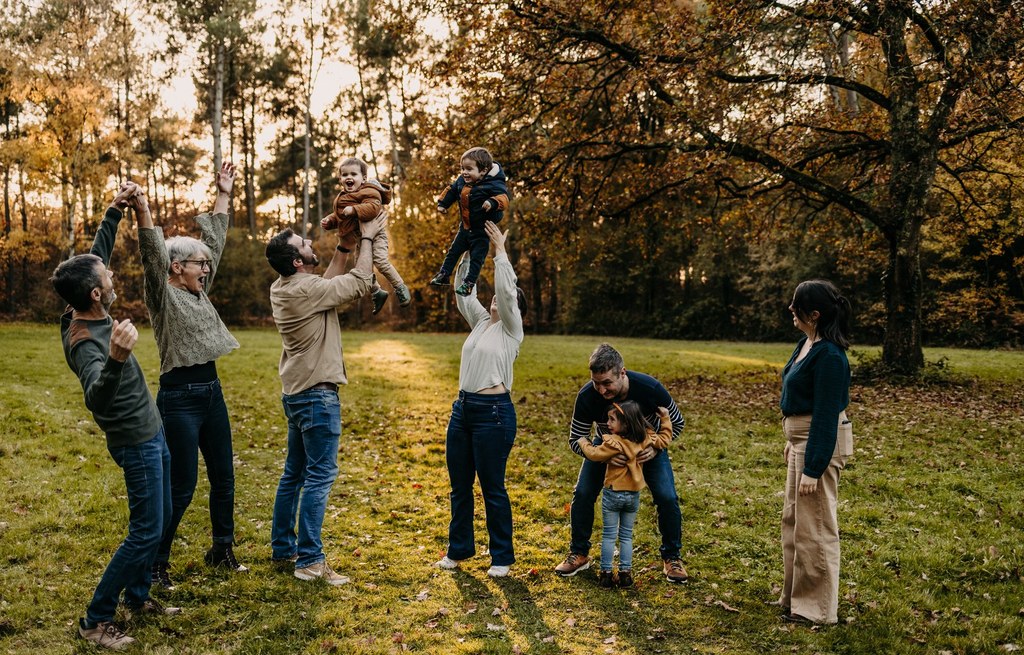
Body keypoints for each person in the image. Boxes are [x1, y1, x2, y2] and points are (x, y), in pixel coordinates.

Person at [51, 182, 179, 651]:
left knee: (159, 519)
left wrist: (113, 212)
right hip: (135, 441)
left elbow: (92, 258)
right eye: (105, 275)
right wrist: (119, 358)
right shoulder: (84, 340)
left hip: (153, 429)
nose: (110, 273)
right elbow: (96, 399)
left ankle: (140, 596)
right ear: (95, 295)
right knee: (145, 530)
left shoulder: (79, 301)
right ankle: (96, 619)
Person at [133, 163, 246, 590]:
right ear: (177, 266)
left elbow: (213, 241)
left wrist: (223, 193)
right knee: (181, 486)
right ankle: (157, 564)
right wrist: (143, 209)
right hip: (178, 400)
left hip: (211, 395)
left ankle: (222, 550)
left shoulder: (200, 291)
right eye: (200, 264)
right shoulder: (162, 296)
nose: (207, 268)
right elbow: (150, 253)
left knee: (224, 478)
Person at [264, 212, 386, 584]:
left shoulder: (284, 287)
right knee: (319, 476)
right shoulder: (307, 290)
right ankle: (310, 561)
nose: (309, 241)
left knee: (294, 475)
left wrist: (344, 246)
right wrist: (367, 238)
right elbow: (361, 281)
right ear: (298, 261)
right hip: (318, 395)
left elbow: (327, 284)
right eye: (303, 244)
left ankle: (284, 548)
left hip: (297, 394)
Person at [554, 343, 689, 583]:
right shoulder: (587, 397)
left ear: (622, 373)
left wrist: (655, 449)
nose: (601, 389)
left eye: (607, 383)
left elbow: (676, 423)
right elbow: (576, 437)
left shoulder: (650, 389)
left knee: (667, 497)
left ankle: (672, 558)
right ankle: (579, 553)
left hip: (648, 446)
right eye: (596, 382)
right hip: (607, 446)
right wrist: (599, 454)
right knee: (583, 492)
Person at [435, 221, 525, 577]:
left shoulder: (511, 332)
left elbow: (506, 290)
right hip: (463, 412)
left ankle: (501, 557)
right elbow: (463, 293)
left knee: (492, 488)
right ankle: (458, 551)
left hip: (494, 416)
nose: (496, 300)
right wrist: (468, 249)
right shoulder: (480, 324)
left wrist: (500, 251)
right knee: (460, 487)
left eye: (504, 300)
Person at [778, 280, 853, 625]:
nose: (791, 309)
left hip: (819, 444)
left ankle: (817, 610)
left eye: (797, 305)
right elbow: (798, 399)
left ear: (815, 314)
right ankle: (795, 598)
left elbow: (825, 414)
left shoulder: (831, 357)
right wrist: (791, 441)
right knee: (794, 522)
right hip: (801, 443)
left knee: (816, 527)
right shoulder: (807, 343)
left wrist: (813, 466)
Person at [574, 401, 673, 588]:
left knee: (609, 535)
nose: (607, 423)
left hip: (613, 495)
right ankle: (625, 574)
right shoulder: (645, 439)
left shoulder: (613, 442)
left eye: (612, 420)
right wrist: (665, 419)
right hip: (633, 496)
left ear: (625, 423)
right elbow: (665, 439)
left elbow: (594, 454)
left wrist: (583, 441)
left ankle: (606, 574)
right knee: (627, 536)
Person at [320, 156, 410, 314]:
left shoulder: (369, 191)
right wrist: (330, 220)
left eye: (353, 174)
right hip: (360, 237)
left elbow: (373, 208)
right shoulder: (344, 197)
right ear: (340, 178)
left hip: (377, 235)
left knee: (380, 262)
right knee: (360, 269)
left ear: (363, 179)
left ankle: (400, 286)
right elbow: (341, 215)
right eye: (345, 174)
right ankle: (377, 291)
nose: (349, 177)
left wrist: (355, 210)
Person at [429, 147, 509, 297]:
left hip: (482, 231)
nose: (464, 172)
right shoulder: (463, 180)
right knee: (453, 252)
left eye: (469, 169)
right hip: (465, 227)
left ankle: (469, 284)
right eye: (462, 168)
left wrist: (492, 202)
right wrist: (442, 204)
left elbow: (503, 198)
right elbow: (452, 190)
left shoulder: (494, 183)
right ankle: (444, 274)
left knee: (477, 259)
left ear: (483, 171)